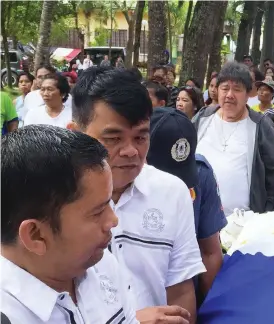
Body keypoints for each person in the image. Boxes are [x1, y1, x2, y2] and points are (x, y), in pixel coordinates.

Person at [68, 66, 204, 322]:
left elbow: (180, 289)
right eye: (114, 138)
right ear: (75, 134)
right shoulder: (52, 198)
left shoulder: (172, 193)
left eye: (141, 137)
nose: (131, 151)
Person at [1, 125, 139, 323]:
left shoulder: (101, 264)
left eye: (109, 203)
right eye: (98, 211)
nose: (113, 221)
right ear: (35, 235)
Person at [147, 107, 226, 304]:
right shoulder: (119, 184)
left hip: (185, 297)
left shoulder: (202, 173)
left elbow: (210, 251)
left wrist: (208, 310)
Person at [193, 62, 274, 215]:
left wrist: (266, 212)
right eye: (225, 88)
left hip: (243, 221)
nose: (229, 95)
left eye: (237, 89)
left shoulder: (260, 125)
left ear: (248, 95)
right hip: (199, 217)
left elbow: (273, 174)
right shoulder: (203, 118)